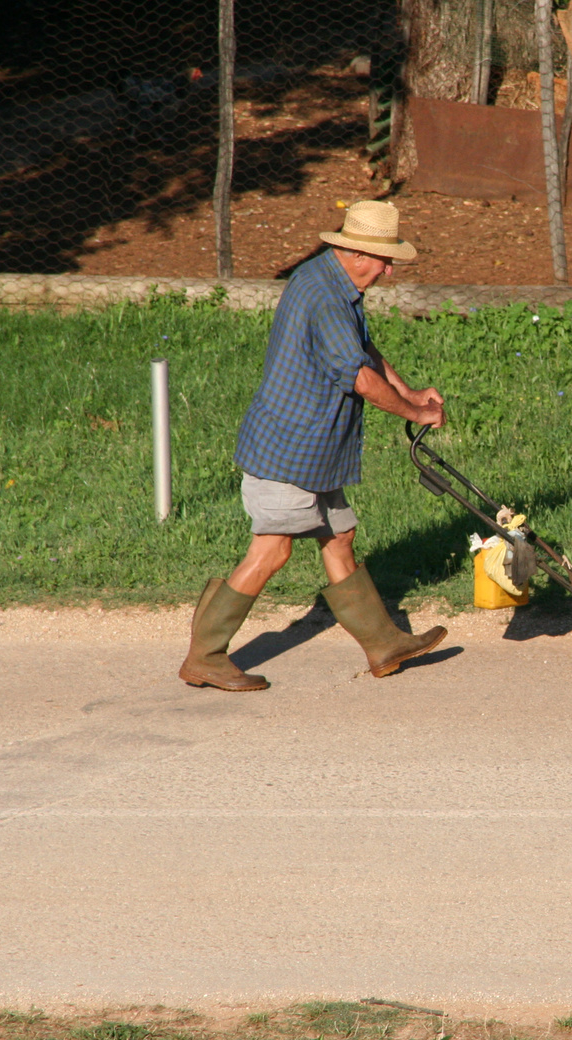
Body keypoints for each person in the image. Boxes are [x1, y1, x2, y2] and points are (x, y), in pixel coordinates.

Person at [179, 200, 447, 691]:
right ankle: (206, 655)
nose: (389, 269)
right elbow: (361, 379)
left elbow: (362, 348)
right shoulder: (325, 297)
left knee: (339, 538)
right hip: (288, 449)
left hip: (315, 450)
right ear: (358, 253)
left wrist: (408, 391)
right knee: (271, 551)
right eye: (385, 259)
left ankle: (383, 644)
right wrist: (416, 413)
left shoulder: (333, 279)